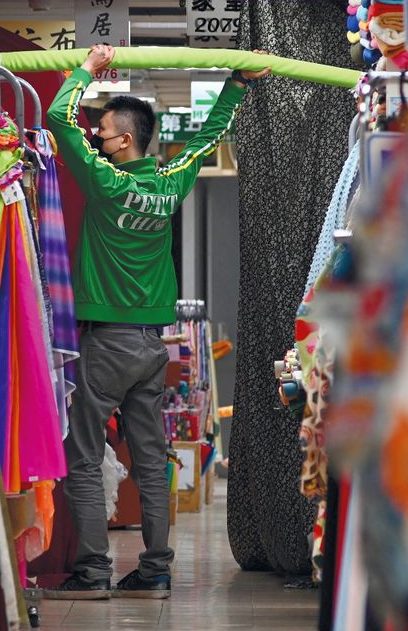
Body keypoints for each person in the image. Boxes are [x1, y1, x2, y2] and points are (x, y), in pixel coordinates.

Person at [43, 44, 271, 600]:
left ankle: (94, 570)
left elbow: (54, 117)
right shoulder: (170, 184)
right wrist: (236, 83)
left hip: (104, 344)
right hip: (153, 345)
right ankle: (156, 569)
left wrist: (86, 71)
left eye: (101, 131)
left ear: (124, 140)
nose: (95, 137)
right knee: (150, 458)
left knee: (83, 455)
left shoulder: (105, 181)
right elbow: (206, 138)